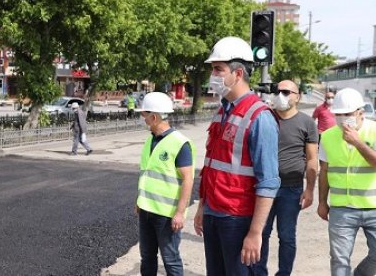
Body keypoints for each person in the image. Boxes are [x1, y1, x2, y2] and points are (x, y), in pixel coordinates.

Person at [193, 36, 281, 275]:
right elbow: (211, 165)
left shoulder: (259, 117)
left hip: (238, 219)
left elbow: (269, 182)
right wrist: (203, 207)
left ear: (238, 73)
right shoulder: (222, 111)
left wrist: (255, 233)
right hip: (215, 213)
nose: (213, 75)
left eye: (218, 69)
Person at [253, 80, 318, 276]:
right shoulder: (265, 118)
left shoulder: (307, 123)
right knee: (260, 233)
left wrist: (309, 190)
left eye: (286, 92)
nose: (281, 95)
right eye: (277, 91)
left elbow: (312, 159)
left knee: (287, 236)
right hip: (264, 187)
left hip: (291, 189)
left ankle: (284, 273)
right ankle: (258, 272)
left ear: (297, 96)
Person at [135, 92, 195, 276]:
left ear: (154, 117)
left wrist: (179, 213)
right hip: (146, 210)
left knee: (170, 259)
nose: (142, 119)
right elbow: (147, 174)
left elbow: (188, 179)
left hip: (167, 216)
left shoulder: (180, 143)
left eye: (144, 115)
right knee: (147, 257)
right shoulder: (150, 140)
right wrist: (139, 201)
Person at [317, 87, 376, 276]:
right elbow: (324, 171)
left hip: (373, 206)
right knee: (339, 260)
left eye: (347, 114)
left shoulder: (374, 131)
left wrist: (358, 142)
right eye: (338, 114)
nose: (342, 118)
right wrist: (321, 203)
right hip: (341, 209)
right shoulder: (327, 136)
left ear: (360, 112)